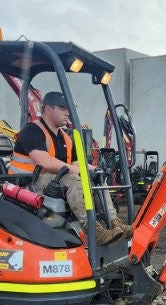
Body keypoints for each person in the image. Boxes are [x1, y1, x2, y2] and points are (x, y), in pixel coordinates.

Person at [10, 91, 133, 245]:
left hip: (52, 180)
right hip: (27, 183)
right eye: (63, 108)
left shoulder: (65, 137)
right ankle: (94, 231)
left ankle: (114, 221)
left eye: (68, 109)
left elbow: (75, 162)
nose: (67, 113)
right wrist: (76, 170)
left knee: (98, 178)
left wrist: (94, 169)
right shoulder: (32, 130)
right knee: (74, 179)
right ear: (48, 109)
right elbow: (44, 162)